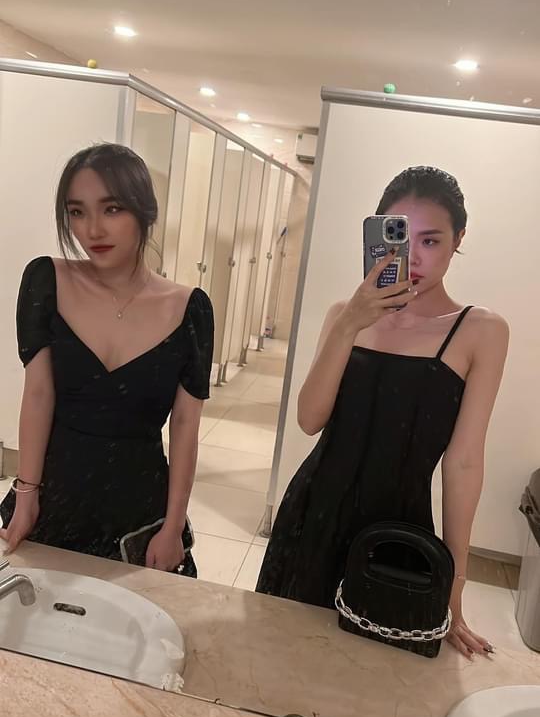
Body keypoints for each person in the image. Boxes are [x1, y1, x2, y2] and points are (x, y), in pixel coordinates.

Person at [256, 166, 509, 659]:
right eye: (399, 239)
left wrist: (454, 582)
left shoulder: (480, 331)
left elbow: (463, 463)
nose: (412, 257)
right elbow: (309, 419)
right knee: (284, 658)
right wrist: (350, 322)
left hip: (398, 527)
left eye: (430, 241)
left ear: (459, 239)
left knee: (378, 671)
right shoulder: (344, 315)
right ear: (377, 239)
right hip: (312, 512)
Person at [0, 143, 214, 573]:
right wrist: (26, 494)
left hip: (139, 508)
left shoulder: (189, 308)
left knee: (134, 614)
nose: (93, 229)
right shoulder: (47, 281)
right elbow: (38, 395)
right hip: (54, 495)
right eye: (77, 212)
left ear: (144, 211)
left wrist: (173, 526)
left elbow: (185, 426)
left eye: (112, 209)